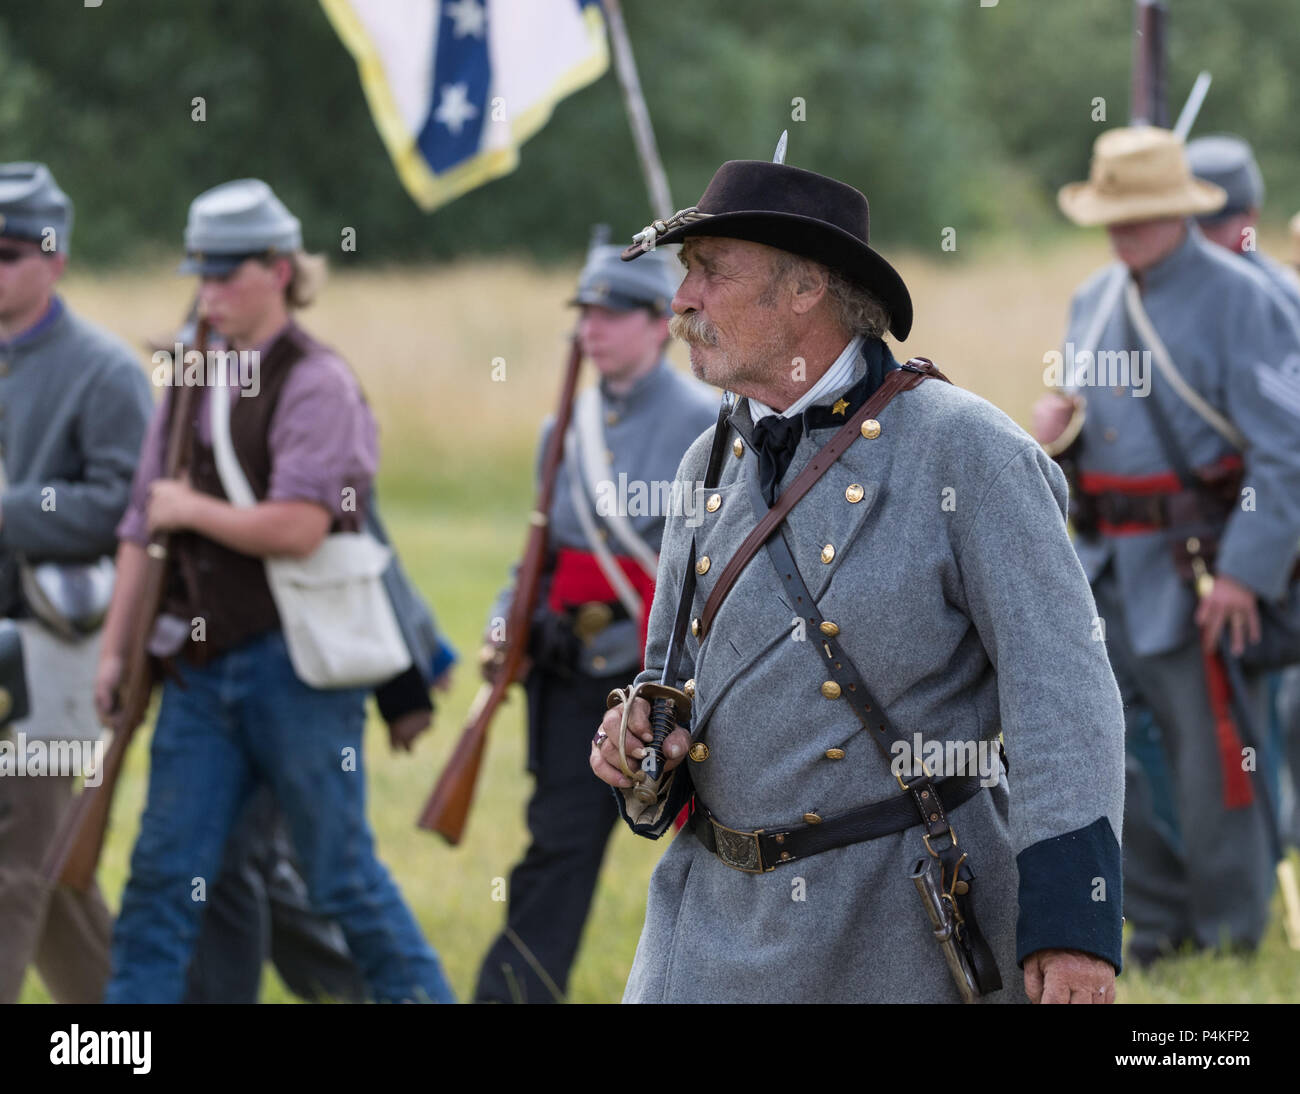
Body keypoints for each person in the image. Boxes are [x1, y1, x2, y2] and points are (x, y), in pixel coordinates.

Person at [591, 156, 1126, 1004]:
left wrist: (1074, 925)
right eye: (685, 273)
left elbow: (1063, 695)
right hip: (708, 933)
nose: (681, 301)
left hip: (899, 930)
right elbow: (675, 687)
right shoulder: (707, 462)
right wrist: (642, 742)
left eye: (710, 271)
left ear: (806, 289)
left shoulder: (969, 452)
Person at [98, 178, 453, 1003]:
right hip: (196, 670)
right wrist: (115, 652)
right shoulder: (192, 373)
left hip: (298, 672)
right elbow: (138, 528)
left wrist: (193, 508)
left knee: (341, 879)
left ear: (281, 269)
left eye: (228, 272)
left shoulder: (317, 380)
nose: (210, 291)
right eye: (203, 273)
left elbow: (298, 525)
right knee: (165, 879)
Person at [1036, 127, 1300, 964]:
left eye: (1140, 214)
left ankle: (1230, 938)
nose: (1124, 231)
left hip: (1202, 568)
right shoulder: (1094, 298)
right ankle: (1153, 925)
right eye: (1114, 215)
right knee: (1110, 758)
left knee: (1218, 758)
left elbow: (1285, 448)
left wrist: (1247, 574)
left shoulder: (1243, 297)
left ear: (1179, 211)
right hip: (1106, 559)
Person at [474, 242, 717, 1003]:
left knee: (708, 844)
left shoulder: (708, 423)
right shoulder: (564, 429)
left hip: (671, 672)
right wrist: (499, 626)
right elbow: (538, 551)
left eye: (611, 312)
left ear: (657, 323)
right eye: (585, 313)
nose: (593, 329)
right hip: (571, 668)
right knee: (557, 847)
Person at [185, 501, 457, 1003]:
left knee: (337, 873)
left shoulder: (313, 422)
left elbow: (359, 541)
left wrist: (405, 680)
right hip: (215, 676)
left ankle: (371, 991)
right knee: (230, 862)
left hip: (303, 677)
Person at [0, 162, 153, 1003]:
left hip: (50, 654)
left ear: (55, 258)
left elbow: (126, 512)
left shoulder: (105, 371)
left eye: (8, 251)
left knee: (12, 864)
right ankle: (116, 1030)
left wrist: (8, 512)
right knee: (52, 876)